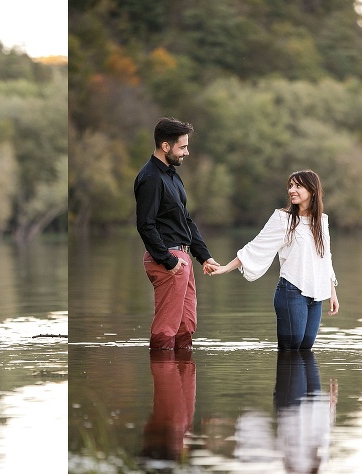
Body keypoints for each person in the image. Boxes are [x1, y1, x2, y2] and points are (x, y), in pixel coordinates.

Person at [209, 169, 339, 350]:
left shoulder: (322, 221)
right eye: (291, 186)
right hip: (292, 293)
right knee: (291, 352)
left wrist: (332, 292)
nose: (291, 190)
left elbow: (325, 258)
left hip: (316, 295)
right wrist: (224, 268)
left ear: (313, 191)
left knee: (306, 349)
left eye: (298, 186)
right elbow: (256, 247)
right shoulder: (283, 218)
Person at [134, 117, 220, 350]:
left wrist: (204, 256)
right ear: (165, 146)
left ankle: (181, 380)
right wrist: (168, 261)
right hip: (168, 260)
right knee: (167, 328)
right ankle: (164, 379)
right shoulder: (151, 178)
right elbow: (145, 224)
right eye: (182, 147)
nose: (187, 152)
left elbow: (186, 220)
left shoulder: (171, 176)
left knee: (186, 326)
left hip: (182, 259)